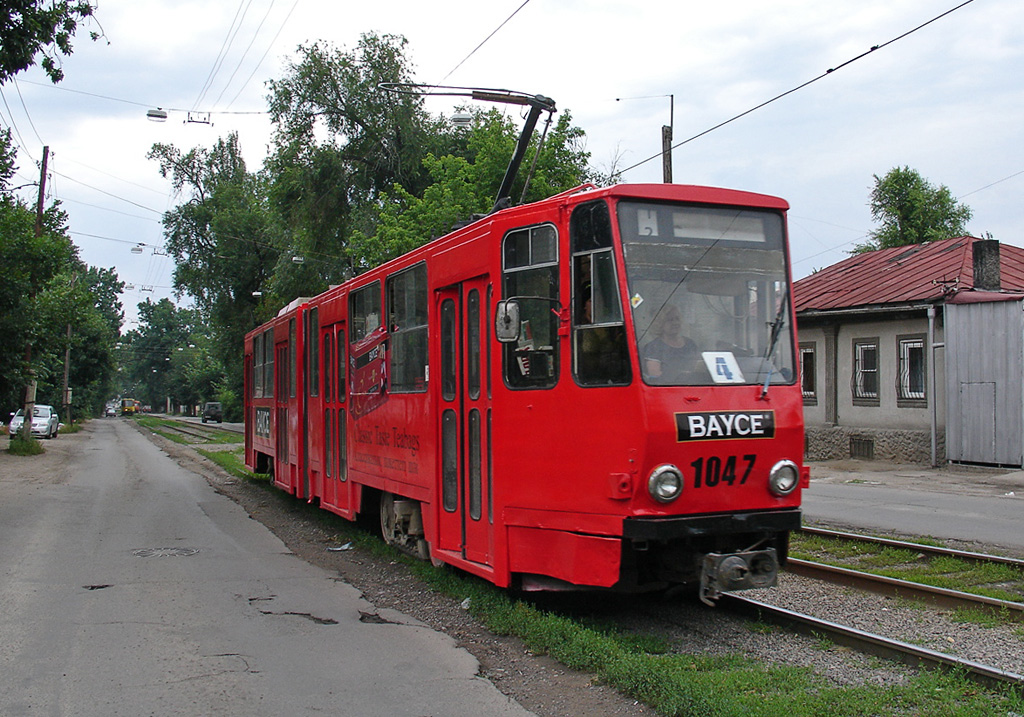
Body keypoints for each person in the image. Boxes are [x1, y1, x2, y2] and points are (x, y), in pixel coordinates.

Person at [642, 304, 699, 383]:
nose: (675, 322)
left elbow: (698, 368)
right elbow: (655, 376)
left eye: (677, 319)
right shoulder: (653, 347)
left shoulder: (690, 344)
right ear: (660, 323)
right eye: (670, 320)